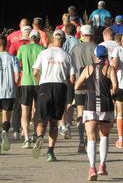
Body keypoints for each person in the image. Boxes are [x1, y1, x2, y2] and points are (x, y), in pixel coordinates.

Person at [32, 30, 76, 162]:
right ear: (64, 41)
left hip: (44, 85)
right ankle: (50, 152)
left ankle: (40, 136)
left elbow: (35, 72)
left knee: (42, 119)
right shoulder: (67, 56)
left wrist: (40, 81)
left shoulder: (44, 53)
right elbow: (72, 78)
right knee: (54, 122)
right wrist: (65, 82)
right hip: (59, 87)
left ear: (52, 39)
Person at [75, 45, 117, 181]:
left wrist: (87, 87)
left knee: (91, 137)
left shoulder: (88, 68)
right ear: (106, 57)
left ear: (94, 56)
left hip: (90, 105)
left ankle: (92, 167)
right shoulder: (110, 69)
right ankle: (102, 165)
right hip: (106, 105)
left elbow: (76, 86)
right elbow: (115, 86)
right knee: (104, 136)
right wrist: (110, 91)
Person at [70, 25, 97, 153]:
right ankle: (89, 139)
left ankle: (81, 142)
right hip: (94, 85)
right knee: (92, 114)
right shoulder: (97, 47)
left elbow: (71, 67)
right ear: (92, 34)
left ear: (82, 34)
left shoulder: (75, 49)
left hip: (79, 84)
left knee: (80, 113)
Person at [16, 30, 44, 148]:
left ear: (29, 38)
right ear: (38, 39)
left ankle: (27, 139)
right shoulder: (42, 49)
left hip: (26, 82)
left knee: (25, 111)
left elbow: (17, 62)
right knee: (37, 111)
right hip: (39, 82)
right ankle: (37, 136)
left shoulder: (22, 48)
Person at [59, 23, 81, 139]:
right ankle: (68, 123)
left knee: (63, 100)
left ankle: (63, 125)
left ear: (66, 32)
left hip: (64, 73)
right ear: (75, 32)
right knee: (71, 100)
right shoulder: (79, 42)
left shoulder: (64, 42)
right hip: (77, 74)